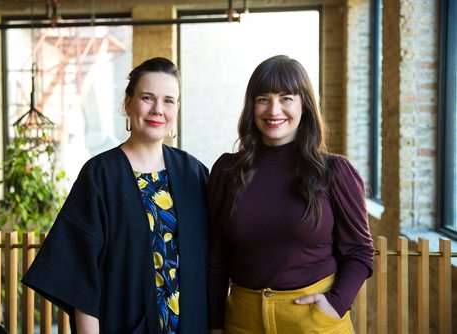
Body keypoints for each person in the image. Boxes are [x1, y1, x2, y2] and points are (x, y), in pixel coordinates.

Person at [22, 57, 209, 334]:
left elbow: (230, 248)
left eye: (168, 100)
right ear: (128, 103)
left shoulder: (193, 174)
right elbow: (81, 279)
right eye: (147, 97)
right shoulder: (100, 176)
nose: (158, 109)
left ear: (177, 108)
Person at [207, 55, 374, 334]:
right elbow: (216, 258)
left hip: (314, 321)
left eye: (286, 98)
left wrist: (335, 304)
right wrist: (215, 325)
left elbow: (360, 251)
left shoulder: (335, 171)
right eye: (263, 98)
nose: (274, 110)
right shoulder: (227, 170)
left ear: (304, 104)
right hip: (242, 321)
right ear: (251, 105)